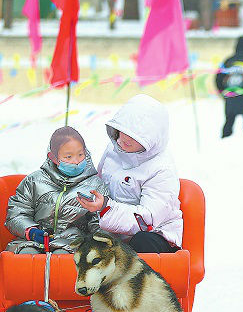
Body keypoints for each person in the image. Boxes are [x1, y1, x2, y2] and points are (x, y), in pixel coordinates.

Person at [77, 94, 184, 254]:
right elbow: (97, 183)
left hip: (154, 234)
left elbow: (147, 220)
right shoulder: (112, 150)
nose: (125, 138)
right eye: (123, 130)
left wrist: (106, 208)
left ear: (152, 138)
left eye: (135, 135)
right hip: (112, 229)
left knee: (143, 241)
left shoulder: (162, 168)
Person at [5, 127, 108, 254]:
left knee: (62, 257)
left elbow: (100, 224)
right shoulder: (34, 181)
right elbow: (16, 213)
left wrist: (97, 241)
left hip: (73, 243)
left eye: (80, 155)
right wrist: (30, 231)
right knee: (26, 255)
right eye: (68, 157)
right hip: (34, 240)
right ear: (53, 157)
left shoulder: (95, 185)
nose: (76, 161)